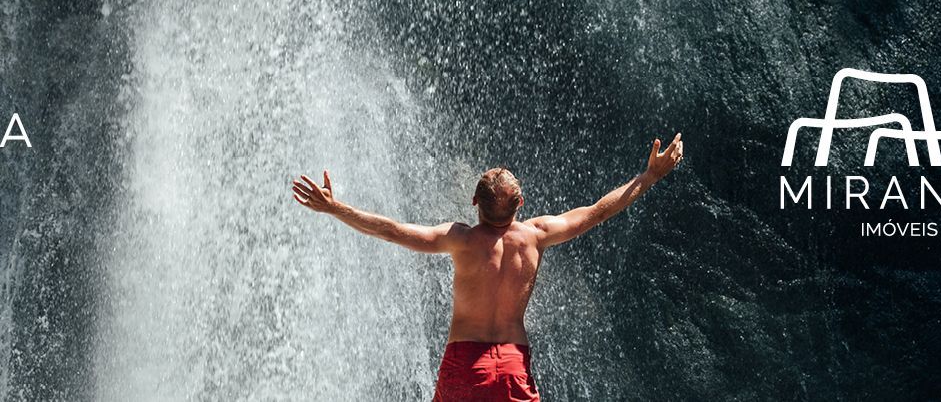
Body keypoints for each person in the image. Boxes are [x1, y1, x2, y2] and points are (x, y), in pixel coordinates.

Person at [290, 133, 685, 401]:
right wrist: (650, 174)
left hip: (465, 364)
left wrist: (334, 207)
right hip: (512, 364)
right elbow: (599, 212)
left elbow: (393, 231)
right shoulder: (535, 236)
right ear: (522, 205)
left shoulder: (459, 239)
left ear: (474, 202)